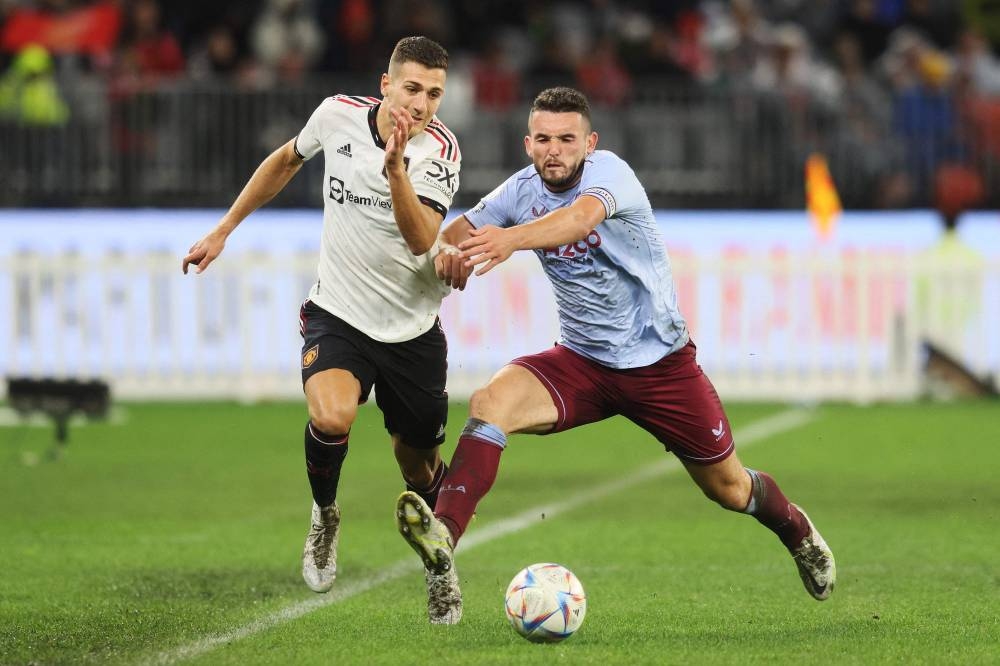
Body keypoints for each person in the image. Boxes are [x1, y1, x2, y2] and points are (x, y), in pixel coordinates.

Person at [395, 87, 835, 625]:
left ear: (590, 143)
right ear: (527, 144)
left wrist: (510, 239)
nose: (554, 150)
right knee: (490, 403)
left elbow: (579, 221)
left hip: (660, 366)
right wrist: (447, 253)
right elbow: (454, 233)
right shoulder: (520, 190)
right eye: (543, 140)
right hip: (581, 364)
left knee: (729, 488)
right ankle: (443, 542)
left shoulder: (611, 174)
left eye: (567, 139)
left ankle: (796, 530)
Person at [182, 36, 461, 595]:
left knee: (420, 469)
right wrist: (224, 229)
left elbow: (420, 239)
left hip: (411, 329)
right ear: (386, 85)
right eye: (412, 89)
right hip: (338, 313)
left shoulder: (441, 151)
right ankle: (325, 515)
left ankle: (440, 567)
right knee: (332, 418)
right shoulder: (337, 115)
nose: (421, 104)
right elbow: (287, 159)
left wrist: (396, 171)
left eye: (433, 94)